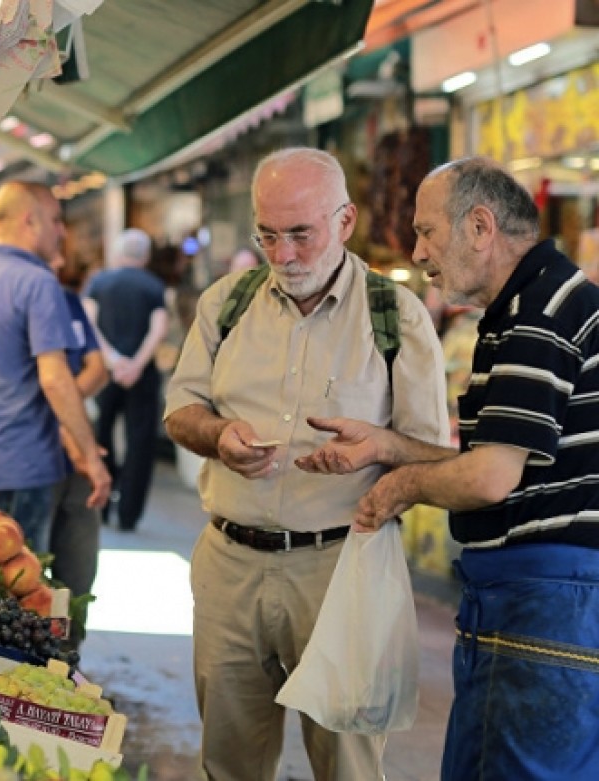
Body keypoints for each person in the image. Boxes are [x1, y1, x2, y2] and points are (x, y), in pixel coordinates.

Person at [295, 157, 599, 781]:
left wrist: (399, 488)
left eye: (428, 231)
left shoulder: (536, 317)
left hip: (545, 599)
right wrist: (387, 446)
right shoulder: (542, 302)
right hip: (551, 597)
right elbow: (501, 462)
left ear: (480, 226)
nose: (418, 250)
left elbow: (489, 480)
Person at [163, 147, 448, 781]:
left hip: (341, 570)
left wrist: (374, 448)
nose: (283, 254)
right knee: (228, 762)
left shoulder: (395, 316)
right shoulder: (225, 304)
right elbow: (180, 410)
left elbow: (430, 456)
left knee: (346, 761)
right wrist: (217, 435)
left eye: (300, 234)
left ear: (345, 222)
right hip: (229, 567)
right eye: (268, 235)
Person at [0, 181, 111, 551]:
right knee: (20, 595)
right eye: (56, 220)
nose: (62, 231)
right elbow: (56, 379)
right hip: (20, 468)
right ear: (31, 221)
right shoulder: (37, 282)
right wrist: (91, 457)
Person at [83, 229, 169, 530]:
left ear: (118, 253)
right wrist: (136, 364)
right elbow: (158, 330)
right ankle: (129, 514)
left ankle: (101, 505)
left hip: (104, 374)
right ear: (145, 256)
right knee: (139, 443)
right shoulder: (155, 285)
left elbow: (88, 324)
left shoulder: (100, 282)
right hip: (142, 376)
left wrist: (113, 360)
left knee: (101, 438)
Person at [48, 251, 108, 602]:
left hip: (75, 446)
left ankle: (67, 651)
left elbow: (99, 369)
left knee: (77, 573)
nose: (60, 259)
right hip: (31, 453)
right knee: (25, 574)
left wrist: (61, 405)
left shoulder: (68, 301)